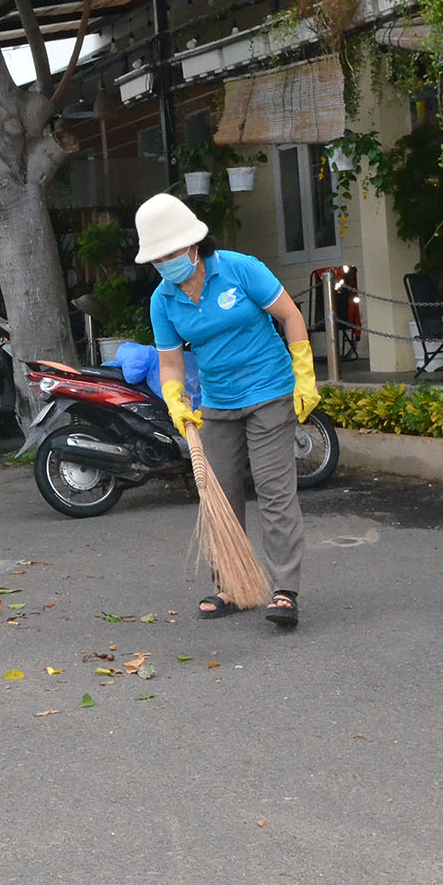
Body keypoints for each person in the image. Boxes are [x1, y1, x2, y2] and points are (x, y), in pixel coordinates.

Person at [134, 193, 320, 628]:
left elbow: (291, 318)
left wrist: (305, 375)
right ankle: (232, 585)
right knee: (217, 496)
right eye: (157, 258)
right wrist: (176, 397)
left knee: (275, 494)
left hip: (270, 392)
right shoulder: (164, 300)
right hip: (216, 402)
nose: (165, 263)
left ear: (194, 244)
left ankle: (284, 590)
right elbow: (170, 359)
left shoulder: (240, 268)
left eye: (171, 253)